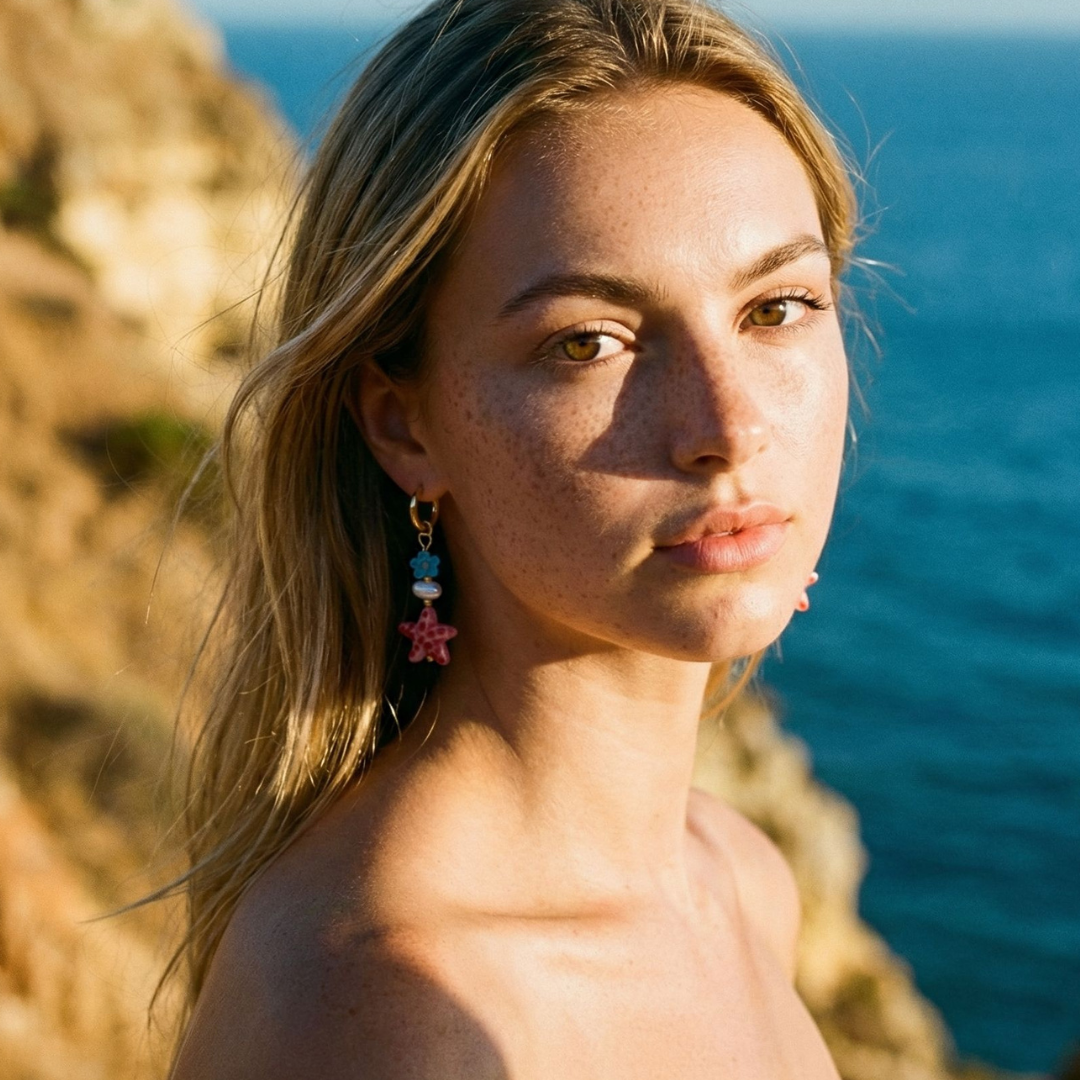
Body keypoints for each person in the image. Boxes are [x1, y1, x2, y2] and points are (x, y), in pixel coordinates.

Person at [166, 0, 856, 1075]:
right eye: (589, 341)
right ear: (405, 425)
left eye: (776, 308)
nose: (729, 429)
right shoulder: (382, 1006)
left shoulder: (740, 876)